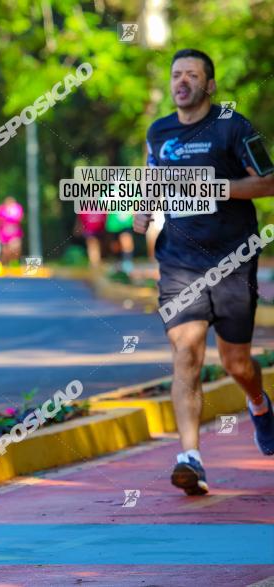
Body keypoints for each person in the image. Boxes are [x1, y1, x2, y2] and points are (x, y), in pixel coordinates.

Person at [134, 49, 274, 496]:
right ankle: (189, 457)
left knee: (236, 362)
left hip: (233, 260)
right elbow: (153, 181)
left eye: (193, 75)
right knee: (187, 353)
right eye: (177, 74)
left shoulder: (234, 126)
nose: (183, 81)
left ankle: (257, 402)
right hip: (179, 261)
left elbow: (268, 182)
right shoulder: (159, 131)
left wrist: (214, 187)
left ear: (209, 86)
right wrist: (142, 209)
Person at [0, 196, 23, 264]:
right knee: (5, 251)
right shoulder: (0, 209)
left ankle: (14, 263)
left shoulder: (17, 209)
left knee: (16, 248)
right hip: (3, 235)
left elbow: (19, 218)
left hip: (15, 234)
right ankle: (5, 264)